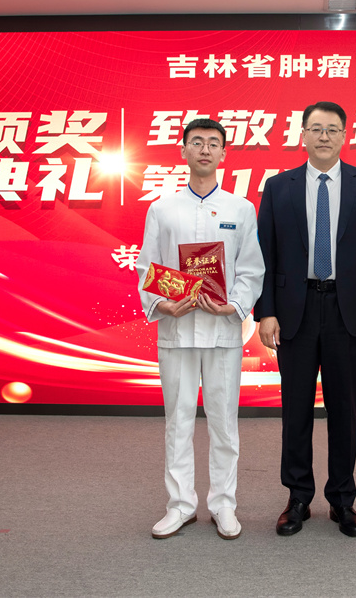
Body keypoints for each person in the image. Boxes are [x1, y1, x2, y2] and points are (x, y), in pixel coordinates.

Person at [255, 101, 356, 537]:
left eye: (332, 129)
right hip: (294, 310)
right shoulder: (278, 187)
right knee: (295, 408)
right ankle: (298, 497)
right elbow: (264, 254)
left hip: (346, 309)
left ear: (344, 136)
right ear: (302, 134)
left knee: (344, 408)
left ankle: (342, 499)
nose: (323, 136)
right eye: (315, 128)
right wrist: (266, 311)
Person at [137, 118, 265, 540]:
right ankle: (180, 505)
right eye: (197, 142)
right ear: (184, 151)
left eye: (213, 143)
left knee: (224, 421)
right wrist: (161, 304)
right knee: (177, 419)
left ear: (224, 153)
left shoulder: (240, 209)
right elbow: (147, 267)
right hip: (176, 330)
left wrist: (234, 305)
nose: (205, 149)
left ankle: (224, 504)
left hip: (222, 332)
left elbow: (251, 269)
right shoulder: (163, 208)